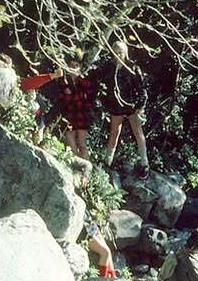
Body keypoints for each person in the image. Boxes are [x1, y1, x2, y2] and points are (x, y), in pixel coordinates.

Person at [103, 41, 150, 179]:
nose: (117, 54)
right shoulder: (110, 67)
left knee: (138, 132)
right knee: (114, 133)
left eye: (120, 52)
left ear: (125, 52)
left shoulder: (132, 67)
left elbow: (141, 88)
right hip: (116, 105)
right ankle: (107, 161)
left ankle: (144, 163)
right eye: (115, 51)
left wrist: (140, 107)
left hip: (131, 106)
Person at [57, 56, 95, 160]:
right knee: (70, 140)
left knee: (82, 143)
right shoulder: (64, 80)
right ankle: (77, 163)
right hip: (69, 114)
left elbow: (90, 99)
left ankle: (86, 167)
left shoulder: (84, 81)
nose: (73, 68)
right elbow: (61, 98)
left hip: (82, 114)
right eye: (71, 65)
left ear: (80, 67)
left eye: (76, 66)